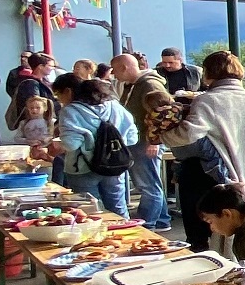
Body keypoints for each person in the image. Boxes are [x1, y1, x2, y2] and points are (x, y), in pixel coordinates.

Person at [163, 51, 245, 253]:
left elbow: (188, 134)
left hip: (208, 176)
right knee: (236, 234)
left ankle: (207, 269)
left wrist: (164, 135)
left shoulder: (208, 100)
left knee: (200, 236)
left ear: (209, 72)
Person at [55, 77, 140, 215]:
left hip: (82, 168)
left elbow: (71, 144)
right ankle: (124, 228)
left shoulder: (70, 111)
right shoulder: (116, 107)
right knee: (118, 208)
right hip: (114, 166)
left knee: (90, 210)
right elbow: (132, 138)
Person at [111, 54, 175, 230]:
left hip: (146, 142)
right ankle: (162, 220)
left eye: (115, 70)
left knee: (147, 184)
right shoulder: (133, 85)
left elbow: (164, 113)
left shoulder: (149, 85)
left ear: (124, 67)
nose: (113, 74)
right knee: (151, 182)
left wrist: (154, 141)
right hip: (141, 140)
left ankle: (148, 223)